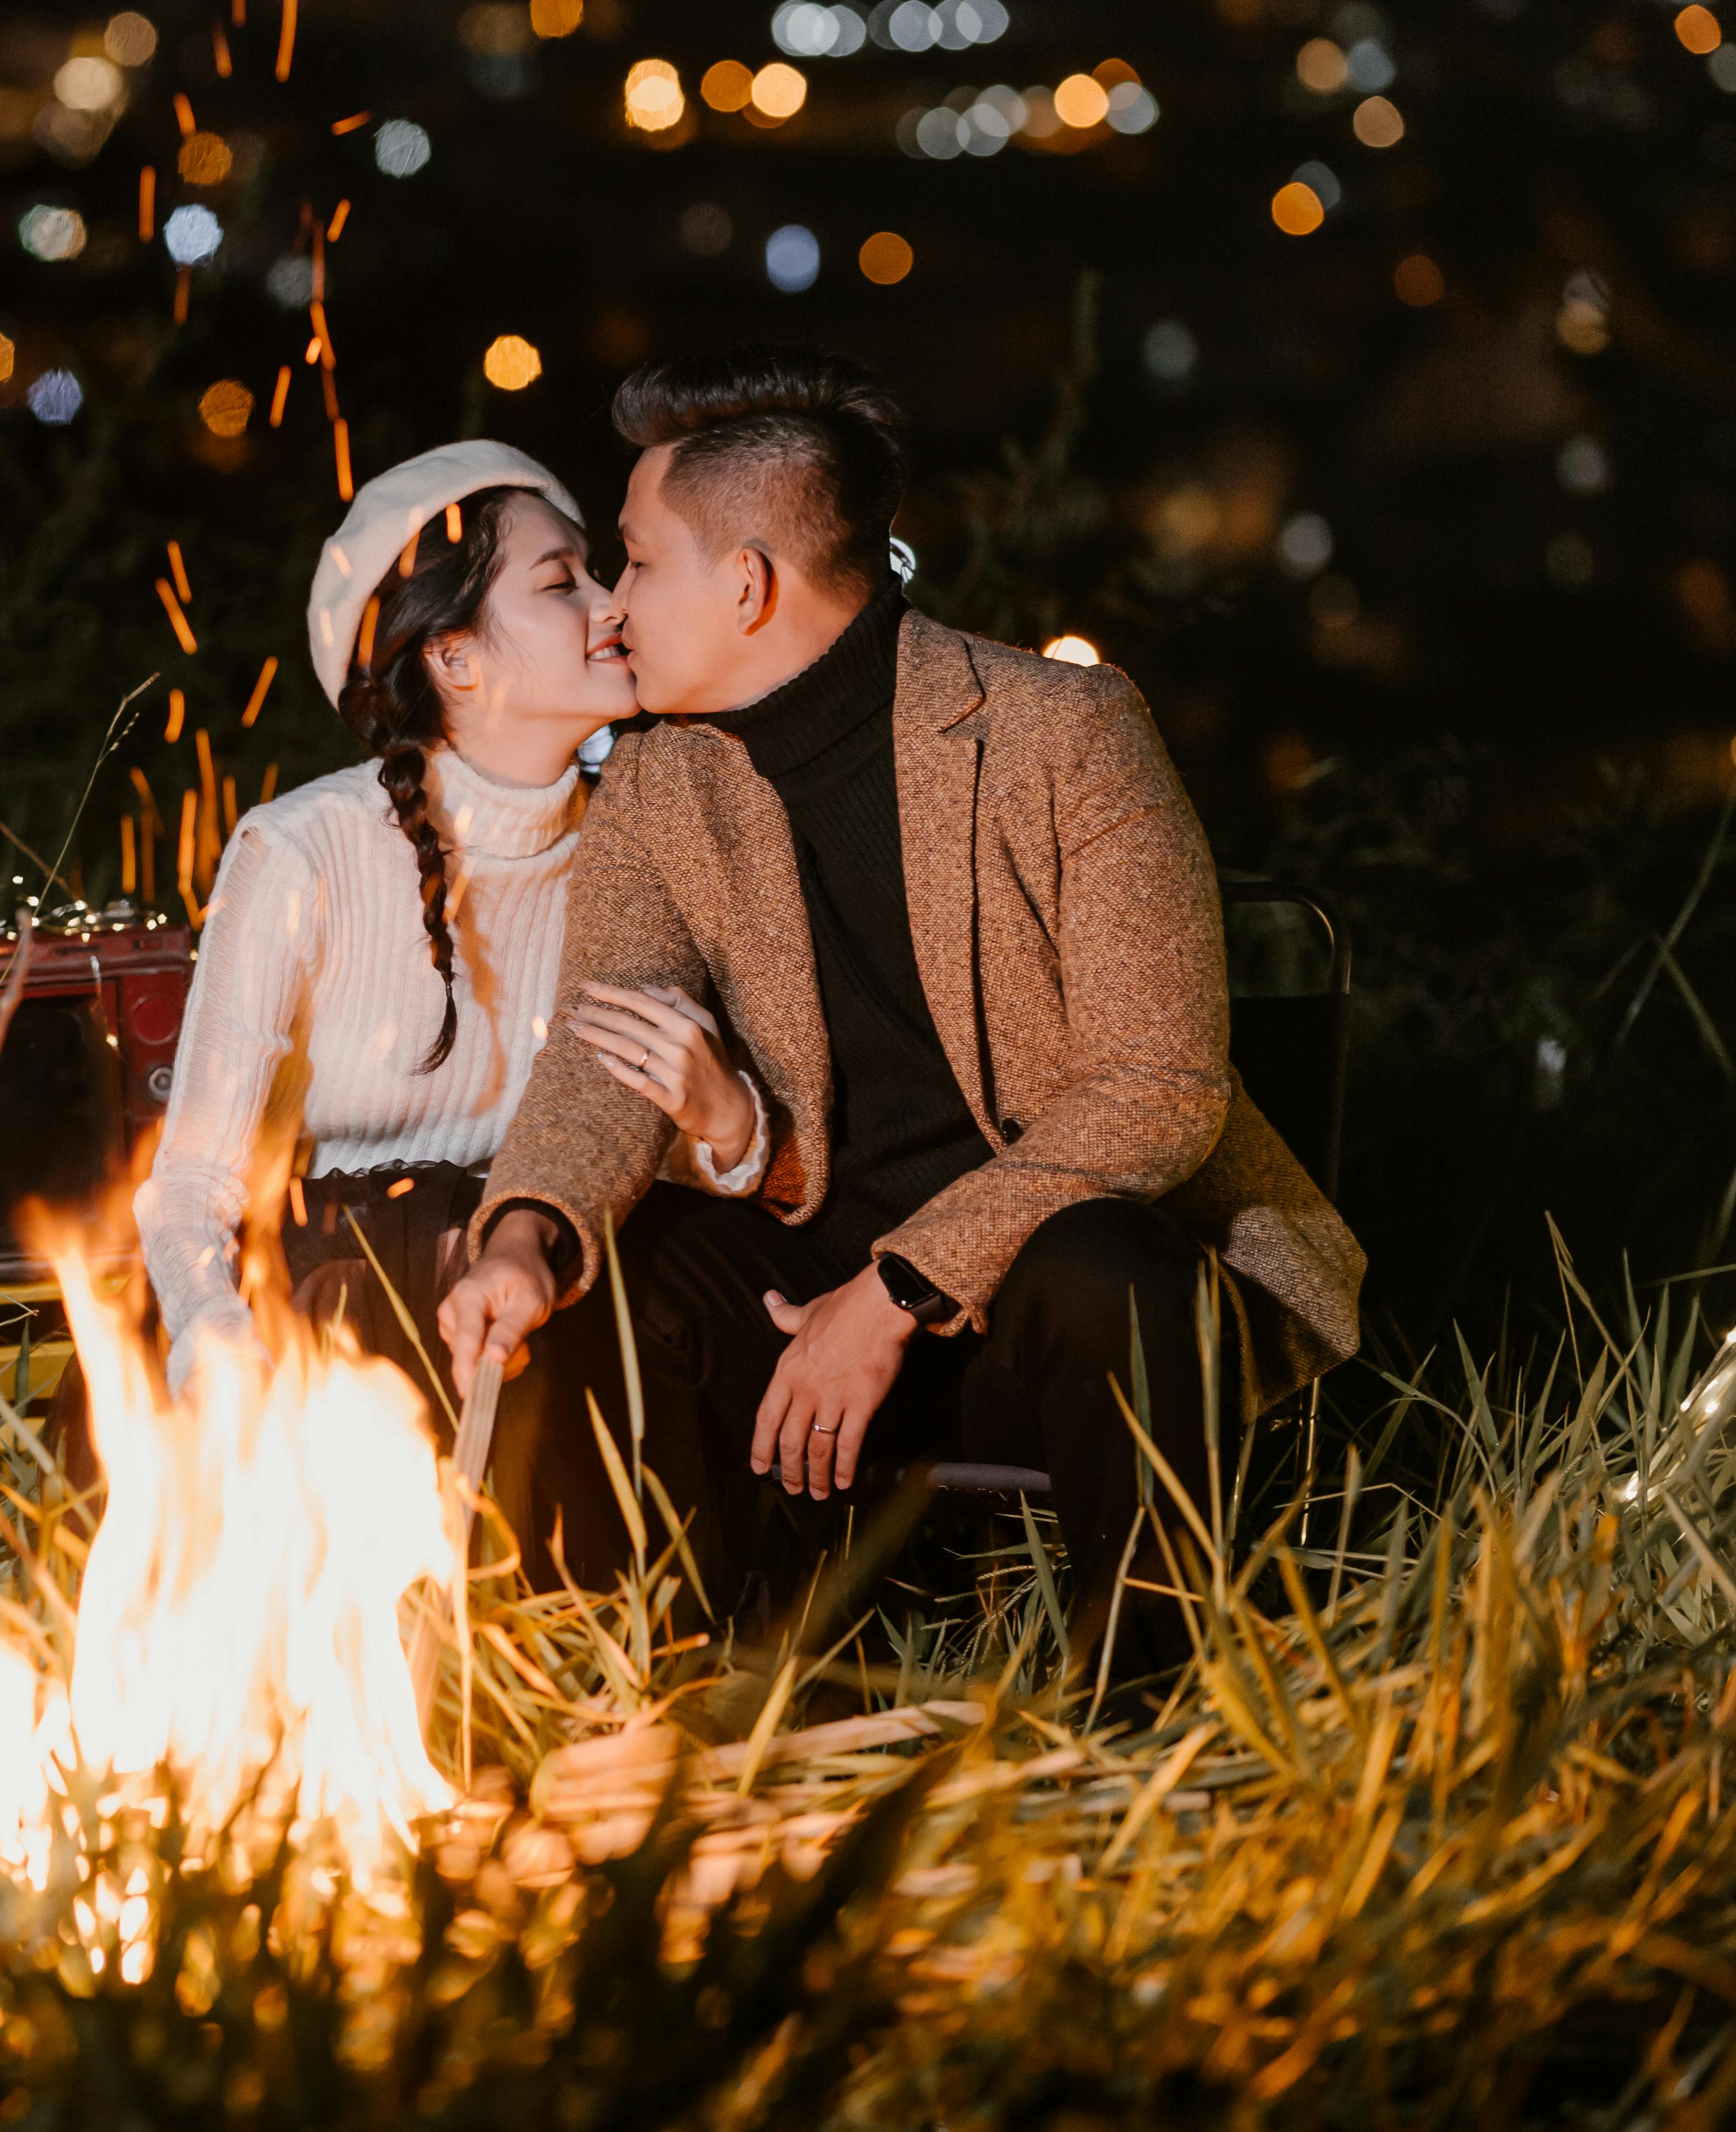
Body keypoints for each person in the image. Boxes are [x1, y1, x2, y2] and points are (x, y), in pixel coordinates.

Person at [435, 347, 1365, 1695]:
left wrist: (898, 1291)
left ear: (747, 585)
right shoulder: (659, 780)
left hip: (1037, 1307)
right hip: (802, 1284)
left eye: (636, 563)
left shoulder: (1062, 732)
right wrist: (526, 1234)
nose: (615, 606)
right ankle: (698, 1697)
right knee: (612, 1284)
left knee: (1112, 1268)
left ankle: (1151, 1718)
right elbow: (604, 1057)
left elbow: (1159, 1091)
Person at [134, 440, 693, 1584]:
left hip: (554, 1261)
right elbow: (193, 1181)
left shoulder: (642, 842)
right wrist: (211, 1332)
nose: (611, 603)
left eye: (601, 573)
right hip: (334, 1286)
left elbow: (667, 1136)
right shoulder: (304, 850)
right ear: (454, 656)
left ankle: (644, 1662)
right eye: (563, 582)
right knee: (418, 1239)